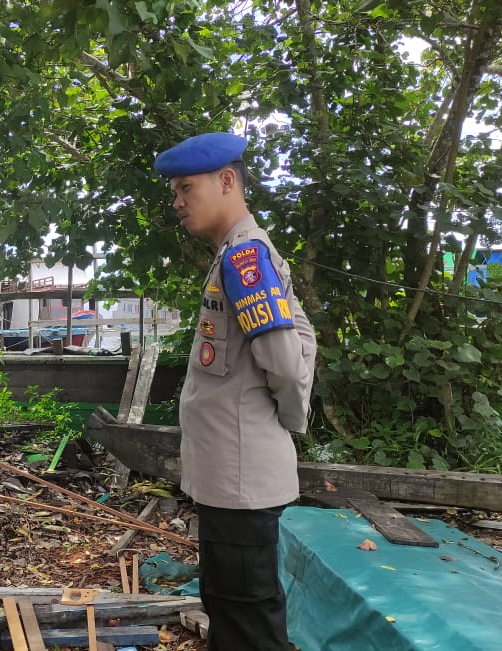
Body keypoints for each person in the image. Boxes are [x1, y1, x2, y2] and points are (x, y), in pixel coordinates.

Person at [155, 132, 317, 650]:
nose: (177, 202)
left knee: (246, 619)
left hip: (241, 476)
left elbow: (287, 364)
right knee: (231, 606)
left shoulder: (245, 259)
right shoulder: (238, 255)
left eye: (186, 188)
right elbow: (303, 337)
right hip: (230, 475)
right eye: (174, 192)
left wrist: (288, 422)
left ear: (227, 181)